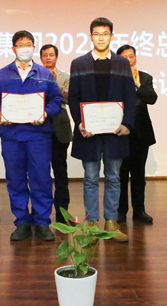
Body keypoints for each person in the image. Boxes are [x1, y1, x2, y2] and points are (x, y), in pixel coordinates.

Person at [0, 31, 62, 242]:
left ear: (34, 48)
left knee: (41, 179)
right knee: (16, 180)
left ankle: (42, 222)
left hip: (38, 136)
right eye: (21, 45)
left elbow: (56, 100)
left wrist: (45, 113)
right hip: (12, 136)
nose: (25, 48)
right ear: (13, 49)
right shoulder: (1, 75)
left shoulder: (44, 74)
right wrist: (0, 113)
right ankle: (22, 222)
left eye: (28, 44)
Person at [69, 17, 136, 243]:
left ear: (111, 36)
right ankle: (91, 223)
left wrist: (127, 124)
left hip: (115, 132)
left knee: (114, 177)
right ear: (90, 37)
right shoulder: (78, 63)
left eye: (105, 34)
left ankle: (111, 221)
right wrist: (80, 122)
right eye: (97, 34)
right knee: (90, 178)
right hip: (88, 132)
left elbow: (130, 96)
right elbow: (74, 98)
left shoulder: (122, 63)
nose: (101, 38)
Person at [116, 44, 157, 224]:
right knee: (121, 175)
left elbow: (152, 98)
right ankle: (121, 211)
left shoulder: (145, 77)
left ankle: (139, 211)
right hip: (119, 132)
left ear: (136, 58)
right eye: (124, 57)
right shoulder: (114, 78)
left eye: (131, 56)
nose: (129, 60)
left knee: (139, 175)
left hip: (141, 133)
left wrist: (137, 83)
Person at [39, 44, 73, 224]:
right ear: (41, 58)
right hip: (39, 128)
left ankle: (62, 214)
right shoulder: (34, 76)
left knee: (60, 172)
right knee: (40, 174)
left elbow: (69, 98)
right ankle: (40, 213)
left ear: (57, 57)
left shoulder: (65, 77)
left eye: (51, 55)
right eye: (45, 55)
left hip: (59, 128)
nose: (48, 58)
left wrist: (54, 85)